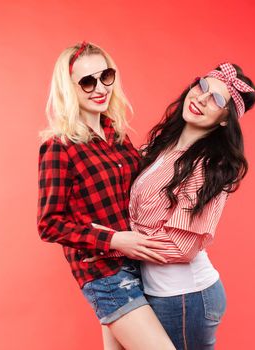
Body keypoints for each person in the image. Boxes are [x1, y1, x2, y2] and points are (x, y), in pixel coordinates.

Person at [95, 62, 255, 349]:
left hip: (185, 297)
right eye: (202, 86)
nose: (201, 99)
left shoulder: (209, 165)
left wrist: (115, 243)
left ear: (224, 119)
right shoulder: (160, 146)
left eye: (217, 100)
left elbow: (182, 247)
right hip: (151, 290)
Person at [37, 41, 176, 349]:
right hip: (105, 273)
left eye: (106, 76)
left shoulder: (119, 139)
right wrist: (114, 240)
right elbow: (49, 224)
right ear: (69, 88)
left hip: (140, 266)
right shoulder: (59, 146)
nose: (100, 88)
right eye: (87, 81)